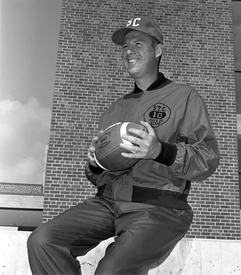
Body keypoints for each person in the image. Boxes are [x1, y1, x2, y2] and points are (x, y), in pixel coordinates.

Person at [27, 16, 219, 275]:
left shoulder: (184, 96)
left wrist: (160, 151)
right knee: (43, 241)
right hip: (108, 203)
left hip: (159, 208)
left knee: (111, 270)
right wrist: (95, 165)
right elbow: (100, 177)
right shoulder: (114, 110)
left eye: (138, 44)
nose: (129, 51)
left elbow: (208, 159)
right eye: (125, 46)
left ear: (158, 50)